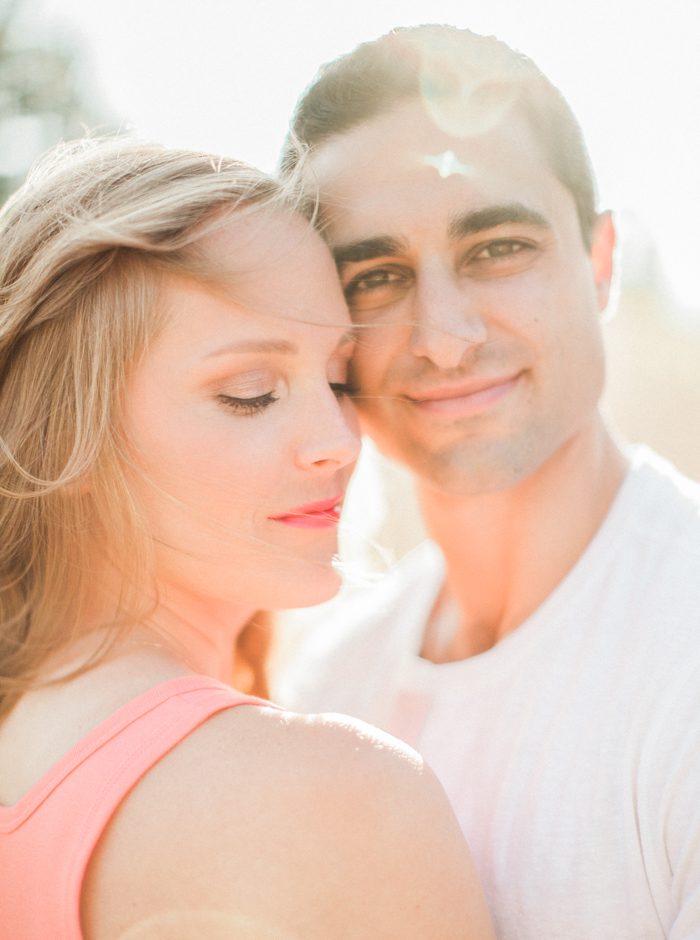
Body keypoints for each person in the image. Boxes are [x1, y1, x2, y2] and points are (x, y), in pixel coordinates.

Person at [0, 138, 495, 939]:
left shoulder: (27, 754)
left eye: (338, 378)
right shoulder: (327, 794)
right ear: (67, 438)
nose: (337, 438)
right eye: (250, 393)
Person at [276, 24, 700, 939]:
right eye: (377, 276)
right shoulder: (327, 687)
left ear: (601, 261)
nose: (445, 335)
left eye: (498, 247)